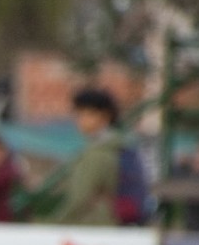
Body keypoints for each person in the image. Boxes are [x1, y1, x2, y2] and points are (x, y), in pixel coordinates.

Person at [57, 86, 151, 227]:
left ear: (105, 116)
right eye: (78, 115)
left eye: (87, 114)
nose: (80, 120)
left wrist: (56, 224)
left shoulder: (99, 153)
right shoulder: (124, 147)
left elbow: (81, 197)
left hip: (96, 226)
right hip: (122, 224)